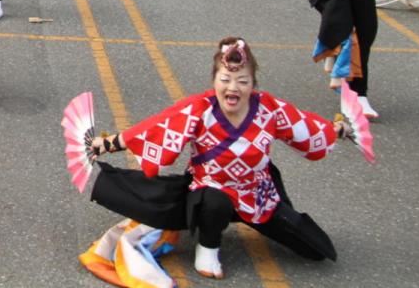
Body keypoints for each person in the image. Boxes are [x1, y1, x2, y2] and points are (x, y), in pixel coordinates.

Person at [83, 38, 347, 281]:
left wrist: (335, 130)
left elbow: (304, 127)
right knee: (215, 201)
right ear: (214, 81)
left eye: (242, 81)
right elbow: (155, 128)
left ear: (253, 84)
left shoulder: (270, 109)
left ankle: (260, 224)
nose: (233, 88)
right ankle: (207, 247)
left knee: (316, 249)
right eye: (226, 79)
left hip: (257, 195)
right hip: (210, 191)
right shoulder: (200, 108)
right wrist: (106, 144)